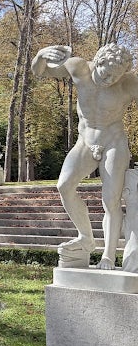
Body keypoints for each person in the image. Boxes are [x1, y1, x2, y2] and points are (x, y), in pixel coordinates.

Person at [32, 43, 136, 269]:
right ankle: (86, 238)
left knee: (111, 200)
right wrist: (40, 56)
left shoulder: (128, 84)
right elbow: (40, 71)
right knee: (64, 186)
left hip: (113, 143)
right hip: (86, 142)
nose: (110, 80)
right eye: (106, 73)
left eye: (115, 77)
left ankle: (108, 255)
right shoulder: (79, 68)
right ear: (97, 62)